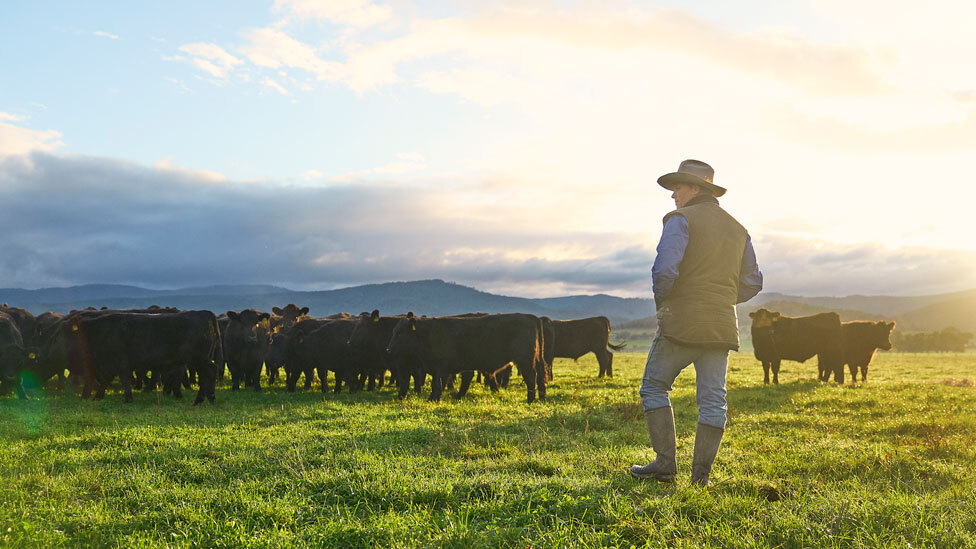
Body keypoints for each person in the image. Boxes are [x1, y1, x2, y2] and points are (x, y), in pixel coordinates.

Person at [630, 159, 762, 486]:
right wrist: (718, 300)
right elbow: (753, 282)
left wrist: (668, 306)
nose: (673, 194)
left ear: (695, 188)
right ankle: (700, 479)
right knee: (713, 401)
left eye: (678, 186)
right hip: (721, 325)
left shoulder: (680, 220)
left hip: (682, 323)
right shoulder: (738, 228)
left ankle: (664, 465)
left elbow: (663, 271)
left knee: (654, 387)